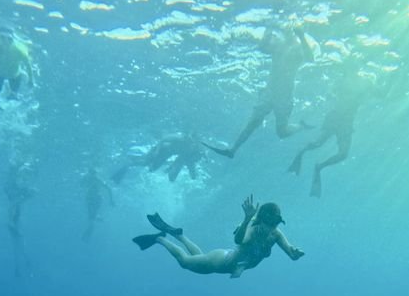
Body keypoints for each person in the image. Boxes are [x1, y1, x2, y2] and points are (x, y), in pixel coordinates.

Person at [205, 25, 314, 159]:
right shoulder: (279, 46)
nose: (286, 32)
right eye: (285, 30)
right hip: (269, 93)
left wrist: (302, 37)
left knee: (282, 132)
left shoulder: (297, 49)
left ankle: (300, 126)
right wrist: (267, 32)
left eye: (290, 31)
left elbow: (310, 58)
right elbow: (262, 48)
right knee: (253, 122)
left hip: (284, 97)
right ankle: (232, 150)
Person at [132, 195, 304, 278]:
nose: (273, 227)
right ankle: (159, 239)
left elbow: (291, 254)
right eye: (271, 223)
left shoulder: (276, 234)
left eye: (276, 223)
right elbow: (238, 241)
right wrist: (245, 219)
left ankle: (180, 236)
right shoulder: (253, 227)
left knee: (198, 257)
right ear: (263, 220)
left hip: (226, 262)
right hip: (220, 261)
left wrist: (294, 253)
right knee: (185, 262)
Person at [288, 61, 367, 197]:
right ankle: (301, 153)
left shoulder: (365, 83)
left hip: (347, 123)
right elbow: (332, 93)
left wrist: (391, 81)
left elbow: (381, 94)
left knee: (343, 154)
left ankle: (319, 166)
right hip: (335, 117)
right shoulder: (343, 81)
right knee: (318, 143)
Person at [112, 132, 204, 184]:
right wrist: (156, 151)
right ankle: (129, 162)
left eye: (194, 142)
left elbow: (180, 160)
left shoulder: (189, 148)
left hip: (164, 155)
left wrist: (171, 167)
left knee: (151, 169)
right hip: (159, 151)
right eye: (191, 140)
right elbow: (163, 139)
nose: (191, 143)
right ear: (188, 137)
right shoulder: (179, 138)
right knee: (145, 162)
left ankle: (132, 160)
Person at [0, 26, 34, 110]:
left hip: (14, 74)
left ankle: (11, 97)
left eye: (9, 39)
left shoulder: (19, 49)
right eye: (2, 38)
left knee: (14, 93)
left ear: (13, 39)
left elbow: (28, 64)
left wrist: (31, 80)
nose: (6, 42)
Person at [4, 162, 35, 276]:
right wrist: (10, 222)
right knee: (19, 243)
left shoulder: (16, 192)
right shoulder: (16, 192)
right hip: (13, 221)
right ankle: (22, 265)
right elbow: (13, 205)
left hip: (14, 220)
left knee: (18, 243)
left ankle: (19, 267)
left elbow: (14, 204)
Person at [81, 167, 115, 241]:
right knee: (91, 217)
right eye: (91, 174)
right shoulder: (90, 179)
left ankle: (94, 221)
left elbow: (108, 188)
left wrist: (111, 200)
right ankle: (96, 218)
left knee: (91, 217)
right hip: (91, 199)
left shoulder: (97, 180)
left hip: (95, 199)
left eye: (93, 174)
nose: (92, 175)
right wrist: (111, 200)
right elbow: (109, 189)